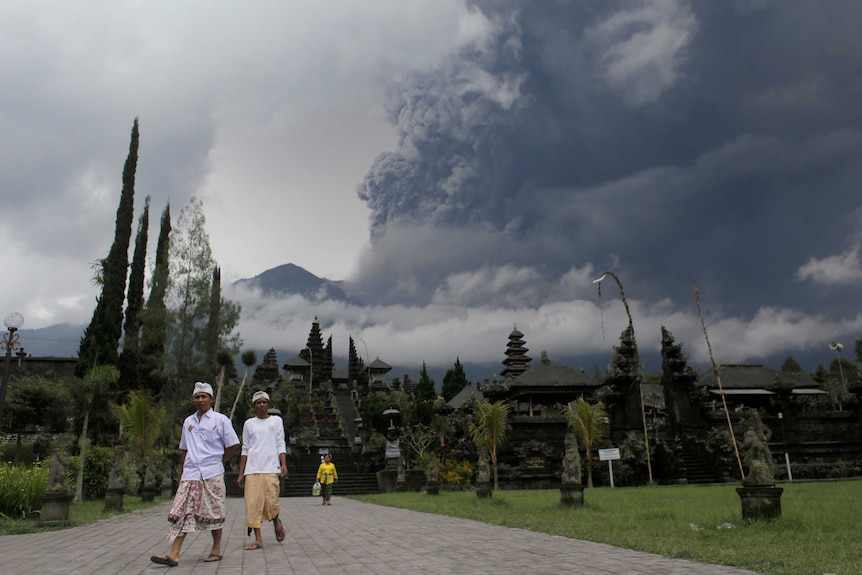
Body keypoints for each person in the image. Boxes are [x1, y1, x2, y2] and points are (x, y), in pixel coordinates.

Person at [150, 382, 240, 567]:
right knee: (184, 512)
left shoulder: (220, 420)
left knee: (214, 511)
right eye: (197, 397)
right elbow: (184, 449)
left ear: (211, 399)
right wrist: (181, 472)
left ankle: (216, 548)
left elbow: (233, 444)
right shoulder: (188, 422)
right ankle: (174, 553)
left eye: (204, 396)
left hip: (212, 472)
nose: (200, 400)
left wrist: (219, 460)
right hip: (191, 473)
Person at [237, 390, 288, 550]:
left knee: (272, 502)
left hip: (271, 467)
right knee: (252, 504)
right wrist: (241, 473)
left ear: (268, 404)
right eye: (258, 403)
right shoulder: (249, 424)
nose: (261, 405)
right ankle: (258, 539)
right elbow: (245, 448)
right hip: (252, 469)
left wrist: (283, 464)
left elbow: (281, 443)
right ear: (254, 406)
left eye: (264, 402)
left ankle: (276, 521)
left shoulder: (276, 421)